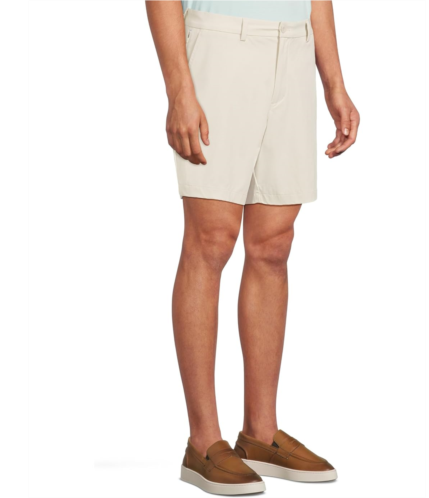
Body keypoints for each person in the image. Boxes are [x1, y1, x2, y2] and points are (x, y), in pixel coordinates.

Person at [146, 0, 360, 494]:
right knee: (211, 240)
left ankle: (261, 433)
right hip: (220, 41)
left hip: (295, 45)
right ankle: (203, 442)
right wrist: (179, 88)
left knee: (274, 244)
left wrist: (334, 82)